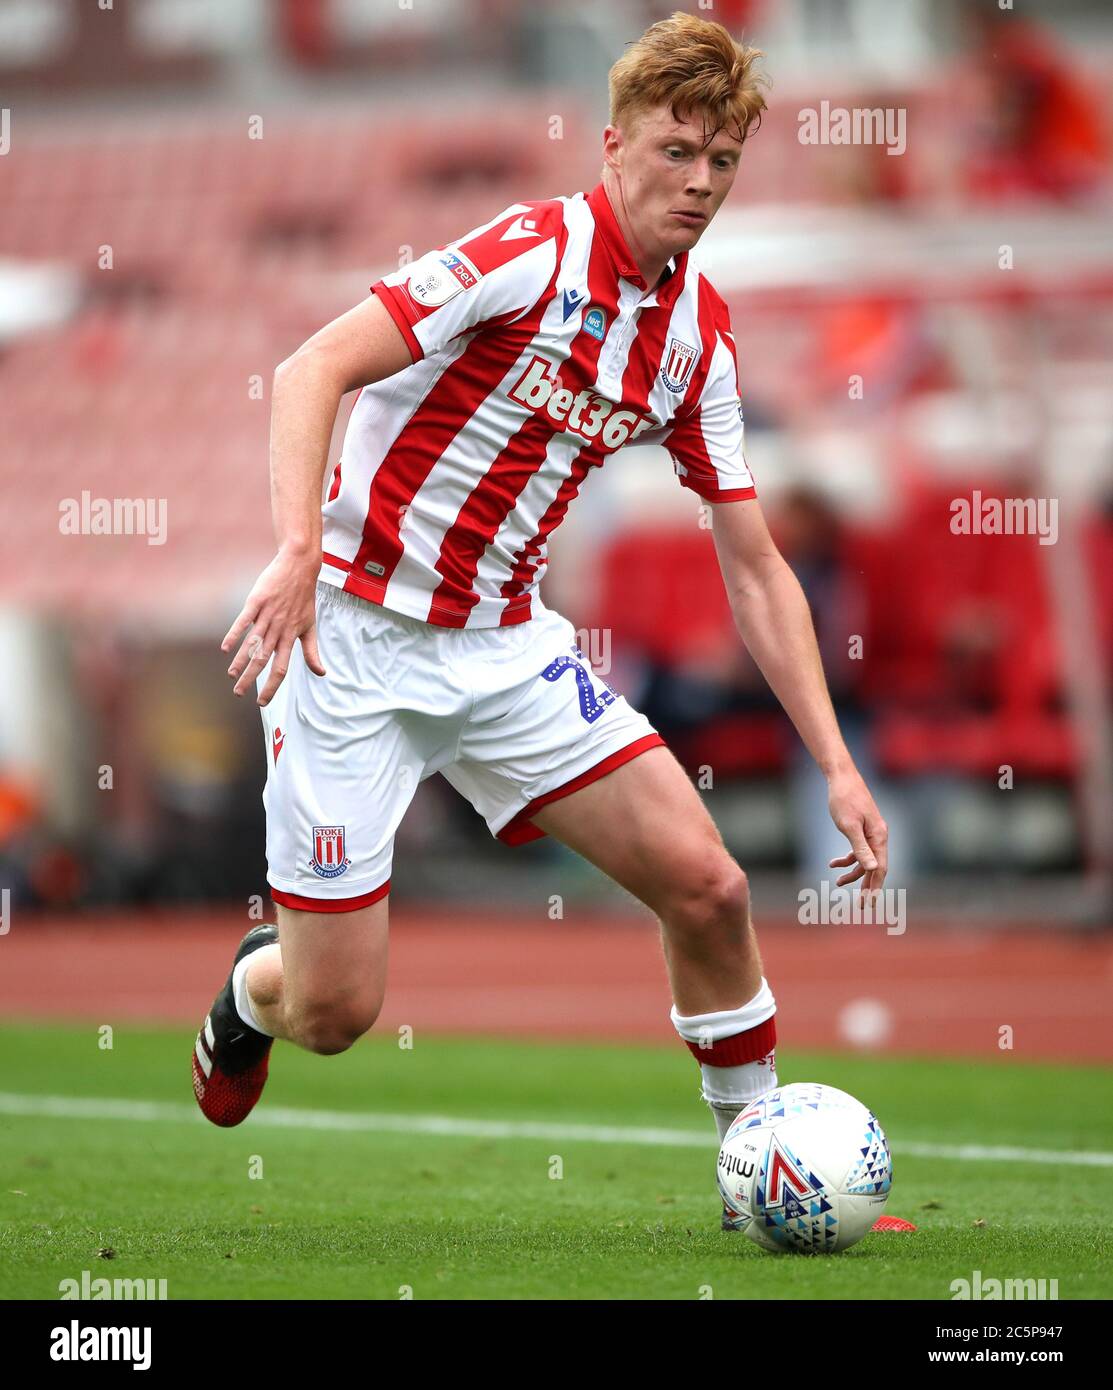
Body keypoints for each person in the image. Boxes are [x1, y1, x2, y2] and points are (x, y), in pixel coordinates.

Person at [192, 11, 888, 1226]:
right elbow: (314, 368)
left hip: (506, 651)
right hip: (348, 642)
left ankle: (758, 1170)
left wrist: (835, 761)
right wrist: (300, 549)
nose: (701, 183)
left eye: (723, 163)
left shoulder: (698, 339)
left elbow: (758, 565)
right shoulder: (527, 253)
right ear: (614, 143)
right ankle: (251, 997)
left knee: (711, 886)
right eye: (679, 151)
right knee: (335, 1015)